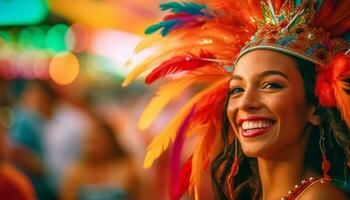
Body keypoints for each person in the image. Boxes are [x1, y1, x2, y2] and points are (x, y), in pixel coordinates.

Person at [123, 0, 350, 199]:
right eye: (237, 90)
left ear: (316, 109)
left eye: (271, 85)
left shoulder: (320, 196)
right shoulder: (251, 193)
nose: (245, 103)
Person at [60, 115, 140, 200]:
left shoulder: (126, 169)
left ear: (109, 142)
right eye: (88, 141)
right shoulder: (75, 173)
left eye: (96, 141)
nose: (90, 147)